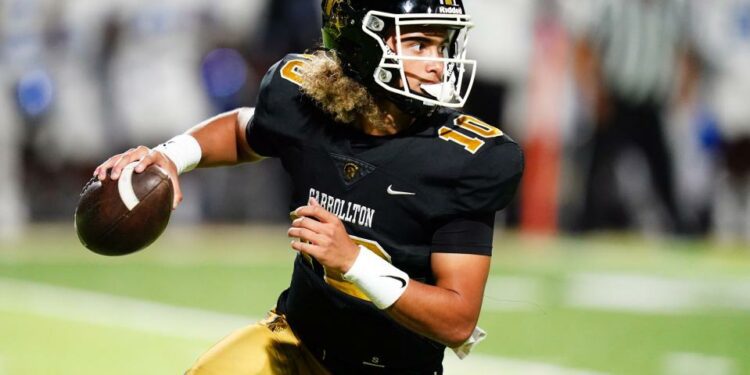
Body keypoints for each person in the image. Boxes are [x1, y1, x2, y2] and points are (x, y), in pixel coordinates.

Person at [94, 0, 524, 374]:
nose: (438, 62)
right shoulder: (309, 101)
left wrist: (355, 263)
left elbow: (457, 321)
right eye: (418, 44)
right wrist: (172, 155)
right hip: (294, 343)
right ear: (362, 43)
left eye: (442, 44)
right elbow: (247, 130)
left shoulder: (464, 159)